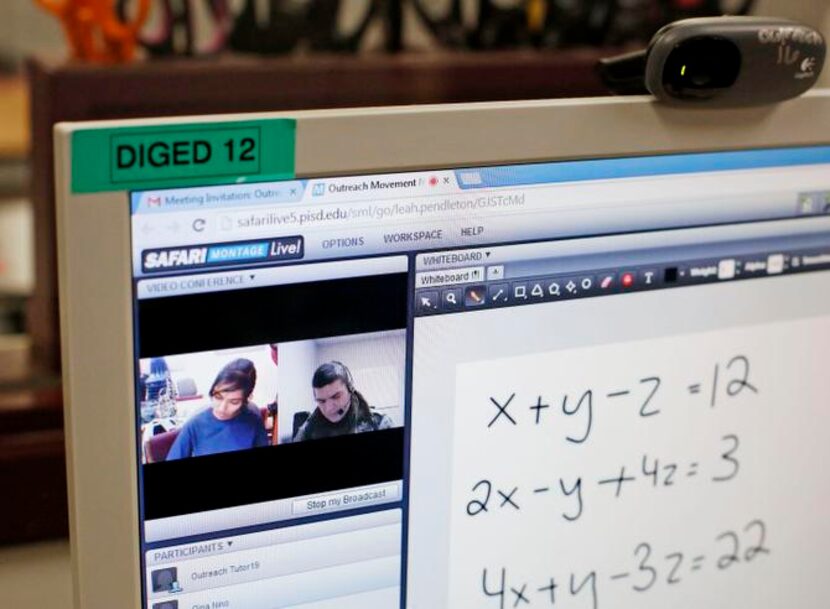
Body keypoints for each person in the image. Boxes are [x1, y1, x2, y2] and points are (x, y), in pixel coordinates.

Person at [166, 358, 268, 459]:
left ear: (247, 400)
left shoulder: (253, 421)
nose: (222, 408)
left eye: (234, 402)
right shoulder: (194, 425)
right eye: (218, 397)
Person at [293, 361, 394, 442]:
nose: (329, 409)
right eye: (321, 401)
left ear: (350, 390)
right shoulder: (307, 430)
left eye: (336, 396)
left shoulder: (379, 423)